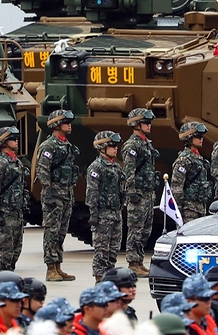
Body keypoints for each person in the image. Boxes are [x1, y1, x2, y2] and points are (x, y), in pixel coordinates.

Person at [37, 109, 79, 282]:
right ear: (56, 124)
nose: (69, 124)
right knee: (52, 231)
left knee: (61, 232)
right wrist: (50, 192)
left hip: (66, 194)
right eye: (65, 122)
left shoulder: (66, 145)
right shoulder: (49, 146)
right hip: (54, 196)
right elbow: (43, 170)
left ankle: (58, 265)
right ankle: (50, 268)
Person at [121, 108, 159, 277]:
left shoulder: (146, 144)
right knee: (136, 229)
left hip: (148, 193)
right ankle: (133, 262)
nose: (149, 125)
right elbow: (128, 171)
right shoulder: (132, 145)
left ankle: (139, 261)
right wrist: (131, 192)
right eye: (146, 122)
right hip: (138, 195)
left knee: (145, 230)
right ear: (136, 124)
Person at [0, 126, 29, 274]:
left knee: (16, 249)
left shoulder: (16, 162)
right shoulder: (0, 164)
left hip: (16, 212)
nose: (16, 141)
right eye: (12, 139)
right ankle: (0, 280)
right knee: (5, 251)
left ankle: (9, 276)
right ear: (4, 142)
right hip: (5, 214)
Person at [85, 131, 125, 283]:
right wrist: (93, 213)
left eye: (116, 146)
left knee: (113, 250)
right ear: (102, 148)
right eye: (112, 146)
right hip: (102, 214)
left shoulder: (116, 167)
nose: (116, 149)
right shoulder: (96, 167)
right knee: (102, 249)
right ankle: (100, 279)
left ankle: (109, 276)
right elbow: (92, 191)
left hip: (115, 213)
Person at [171, 121, 213, 222]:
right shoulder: (184, 160)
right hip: (188, 209)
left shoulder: (198, 158)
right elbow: (176, 188)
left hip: (200, 207)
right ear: (189, 138)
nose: (201, 139)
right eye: (198, 136)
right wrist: (178, 211)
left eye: (202, 136)